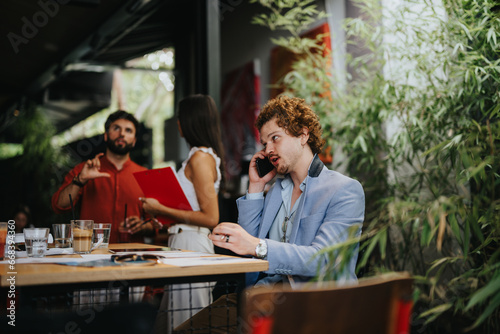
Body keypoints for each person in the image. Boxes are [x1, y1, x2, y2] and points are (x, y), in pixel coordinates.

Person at [175, 95, 365, 333]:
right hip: (259, 300)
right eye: (265, 144)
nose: (269, 150)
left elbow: (322, 260)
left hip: (312, 306)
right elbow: (249, 250)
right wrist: (255, 187)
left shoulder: (344, 189)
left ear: (303, 135)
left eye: (275, 138)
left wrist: (259, 247)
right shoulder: (276, 189)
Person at [139, 94, 225, 331]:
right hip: (182, 241)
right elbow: (189, 209)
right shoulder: (197, 156)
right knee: (175, 321)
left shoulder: (200, 158)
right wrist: (164, 219)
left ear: (189, 121)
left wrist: (160, 208)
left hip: (192, 245)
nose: (177, 123)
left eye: (179, 118)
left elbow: (211, 217)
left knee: (188, 323)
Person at [51, 110, 153, 243]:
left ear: (134, 141)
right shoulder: (84, 169)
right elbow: (59, 206)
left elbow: (155, 224)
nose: (122, 134)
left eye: (128, 130)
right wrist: (80, 180)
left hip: (132, 257)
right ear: (106, 136)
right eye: (116, 128)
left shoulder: (145, 175)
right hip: (90, 255)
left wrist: (143, 226)